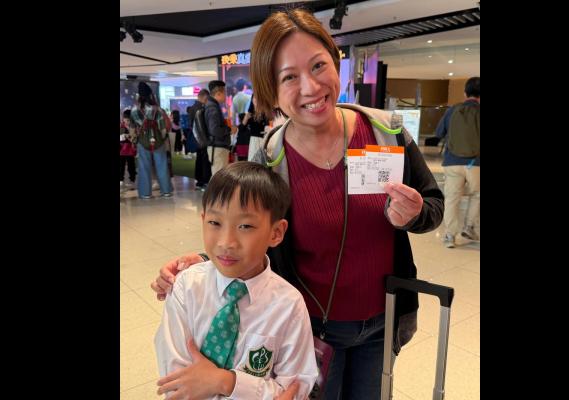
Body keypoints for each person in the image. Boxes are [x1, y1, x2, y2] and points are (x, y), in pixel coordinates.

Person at [151, 8, 443, 400]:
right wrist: (204, 260)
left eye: (319, 65)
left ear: (335, 61)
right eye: (289, 77)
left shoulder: (385, 133)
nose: (311, 87)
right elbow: (253, 230)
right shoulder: (270, 160)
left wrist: (415, 214)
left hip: (383, 319)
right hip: (306, 327)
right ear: (271, 90)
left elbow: (433, 205)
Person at [154, 161, 318, 399]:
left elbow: (295, 387)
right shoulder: (186, 287)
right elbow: (176, 383)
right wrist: (261, 392)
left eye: (245, 226)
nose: (226, 242)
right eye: (215, 223)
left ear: (276, 232)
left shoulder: (288, 305)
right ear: (203, 220)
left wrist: (227, 383)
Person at [435, 77, 480, 248]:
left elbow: (439, 132)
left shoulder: (453, 110)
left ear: (465, 93)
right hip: (476, 163)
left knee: (452, 199)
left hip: (452, 161)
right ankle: (469, 228)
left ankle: (449, 236)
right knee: (477, 195)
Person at [130, 81, 173, 199]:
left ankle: (145, 193)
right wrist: (162, 138)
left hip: (142, 141)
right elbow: (163, 128)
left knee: (144, 167)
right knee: (162, 165)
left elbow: (132, 128)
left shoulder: (134, 110)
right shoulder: (157, 109)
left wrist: (134, 141)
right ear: (150, 95)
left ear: (139, 95)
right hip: (157, 140)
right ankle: (166, 191)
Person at [205, 80, 238, 176]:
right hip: (218, 148)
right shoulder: (212, 107)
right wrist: (229, 130)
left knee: (219, 176)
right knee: (219, 177)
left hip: (218, 147)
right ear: (218, 93)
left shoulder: (212, 105)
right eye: (225, 93)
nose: (226, 96)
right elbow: (214, 129)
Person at [192, 89, 213, 190]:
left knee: (200, 160)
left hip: (197, 139)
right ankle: (204, 181)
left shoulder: (193, 107)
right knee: (204, 161)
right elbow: (201, 127)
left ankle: (200, 181)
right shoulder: (200, 109)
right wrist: (206, 141)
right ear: (205, 97)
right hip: (202, 139)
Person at [120, 109, 136, 189]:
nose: (128, 122)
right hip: (121, 149)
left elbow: (134, 138)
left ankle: (132, 180)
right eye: (126, 120)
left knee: (131, 165)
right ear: (123, 119)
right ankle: (121, 180)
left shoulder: (133, 127)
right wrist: (123, 136)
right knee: (121, 165)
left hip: (130, 150)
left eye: (129, 120)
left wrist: (129, 136)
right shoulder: (121, 126)